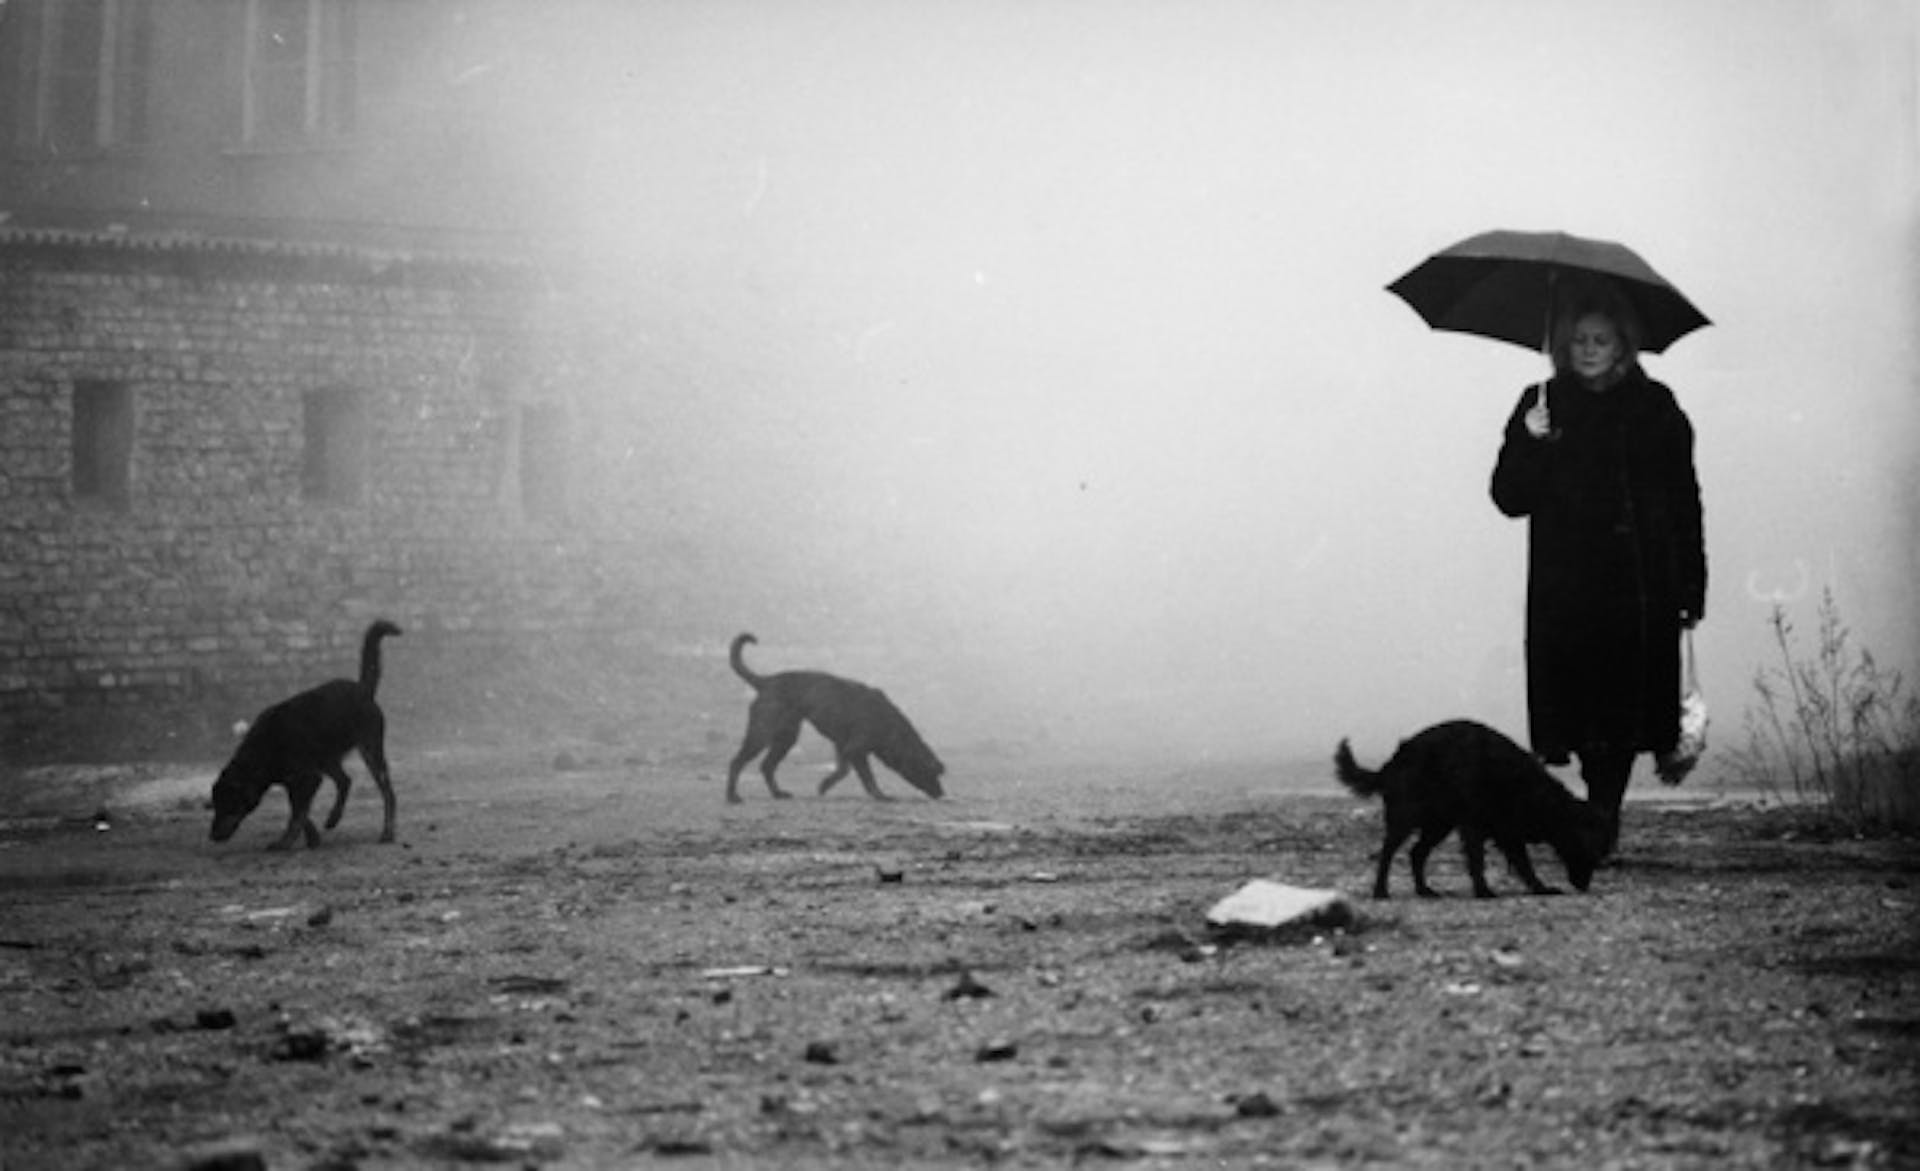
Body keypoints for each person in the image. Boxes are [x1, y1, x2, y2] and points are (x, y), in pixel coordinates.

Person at [1490, 286, 1706, 857]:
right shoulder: (1541, 403)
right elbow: (1509, 498)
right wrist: (1530, 442)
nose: (1587, 349)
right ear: (1563, 344)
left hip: (1641, 584)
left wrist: (1691, 584)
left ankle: (1603, 813)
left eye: (1600, 340)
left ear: (1622, 345)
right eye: (1579, 339)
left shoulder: (1656, 406)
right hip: (1566, 586)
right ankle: (1596, 811)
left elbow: (1685, 501)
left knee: (1624, 710)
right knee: (1579, 706)